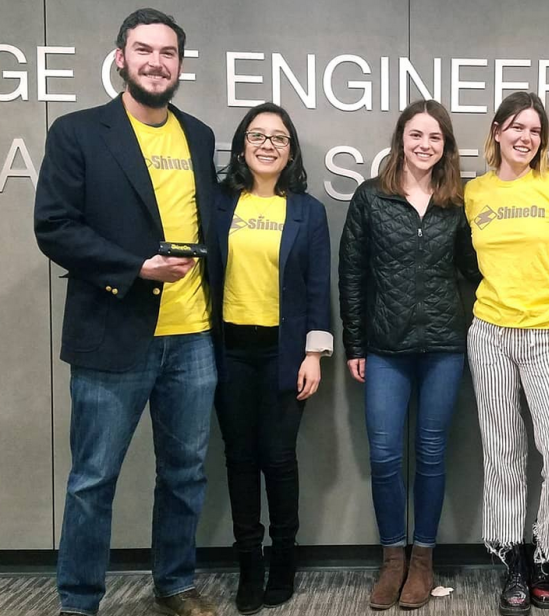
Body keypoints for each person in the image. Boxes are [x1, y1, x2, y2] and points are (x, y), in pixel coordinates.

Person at [33, 9, 221, 616]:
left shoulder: (196, 134)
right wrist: (136, 268)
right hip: (114, 331)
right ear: (120, 57)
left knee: (186, 474)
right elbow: (55, 228)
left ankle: (174, 584)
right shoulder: (78, 132)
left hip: (192, 336)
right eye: (144, 50)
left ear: (181, 65)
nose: (156, 62)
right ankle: (79, 601)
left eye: (168, 53)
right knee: (93, 480)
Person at [339, 99, 479, 611]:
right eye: (416, 135)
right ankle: (392, 559)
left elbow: (474, 268)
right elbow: (351, 276)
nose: (425, 145)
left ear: (446, 147)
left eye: (435, 138)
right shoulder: (371, 198)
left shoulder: (456, 202)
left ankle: (423, 559)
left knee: (432, 454)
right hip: (385, 347)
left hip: (444, 345)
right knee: (384, 456)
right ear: (401, 139)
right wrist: (355, 343)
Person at [464, 92, 549, 615]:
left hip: (546, 335)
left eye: (534, 130)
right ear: (496, 131)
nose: (525, 137)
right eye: (515, 127)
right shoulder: (474, 192)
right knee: (504, 454)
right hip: (489, 332)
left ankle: (545, 555)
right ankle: (512, 558)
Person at [213, 102, 332, 614]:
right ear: (242, 145)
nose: (267, 144)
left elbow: (316, 287)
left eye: (279, 138)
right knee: (239, 460)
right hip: (229, 352)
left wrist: (315, 353)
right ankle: (249, 566)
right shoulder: (219, 204)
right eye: (258, 135)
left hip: (287, 353)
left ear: (291, 150)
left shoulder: (308, 210)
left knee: (279, 461)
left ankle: (283, 558)